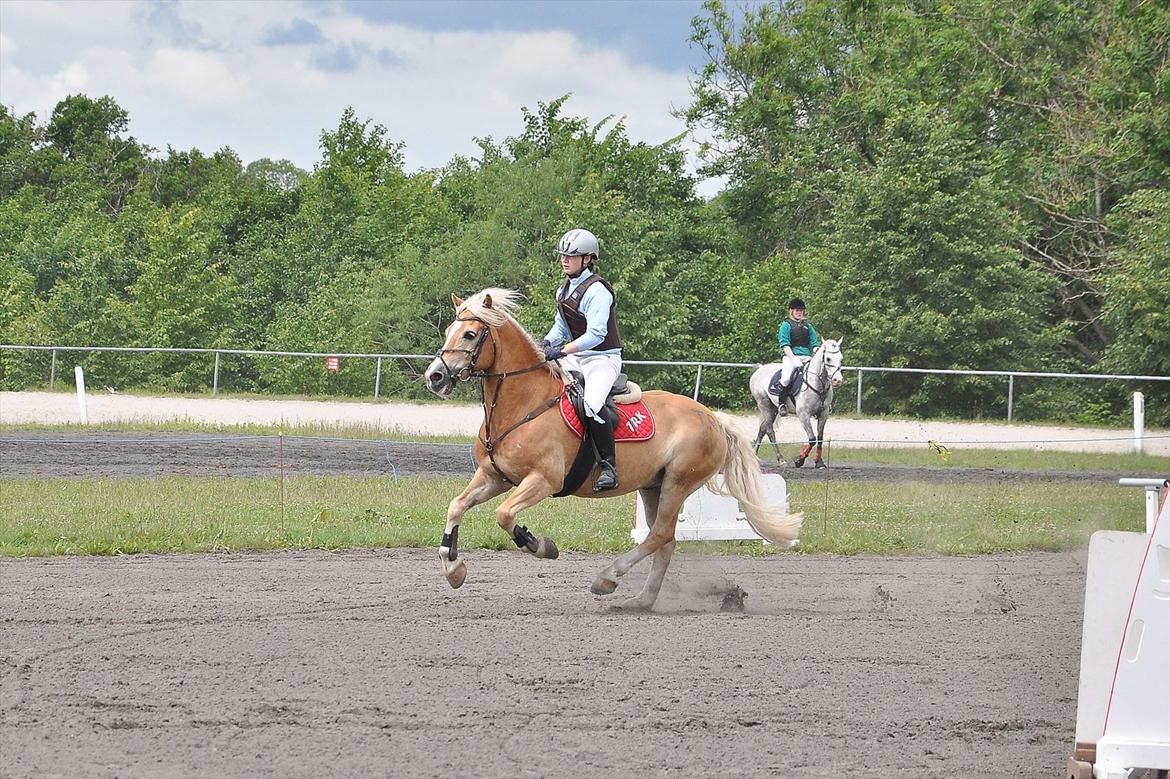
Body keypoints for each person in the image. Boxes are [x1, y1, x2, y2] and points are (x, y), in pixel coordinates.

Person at [540, 228, 623, 492]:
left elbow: (597, 334)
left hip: (602, 359)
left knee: (590, 404)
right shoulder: (563, 290)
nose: (565, 260)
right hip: (576, 357)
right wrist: (546, 343)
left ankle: (608, 466)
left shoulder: (598, 291)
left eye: (572, 256)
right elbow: (561, 329)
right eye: (563, 255)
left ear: (588, 259)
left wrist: (563, 351)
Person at [772, 297, 822, 399]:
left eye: (801, 311)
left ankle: (824, 403)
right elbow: (785, 345)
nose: (799, 313)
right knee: (786, 378)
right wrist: (794, 358)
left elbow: (814, 343)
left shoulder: (809, 326)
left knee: (819, 376)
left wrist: (817, 349)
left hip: (807, 356)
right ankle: (782, 403)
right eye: (797, 310)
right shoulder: (786, 325)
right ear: (792, 311)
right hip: (790, 356)